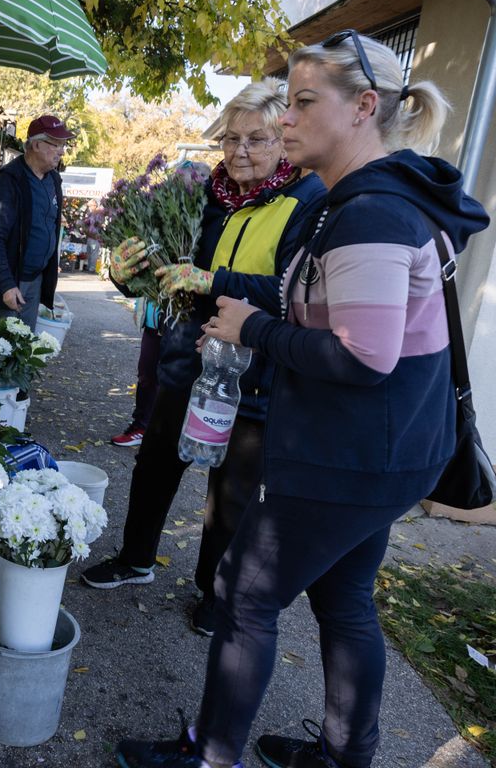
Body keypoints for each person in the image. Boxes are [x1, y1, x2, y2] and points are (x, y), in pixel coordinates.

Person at [114, 32, 489, 768]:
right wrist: (208, 287)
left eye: (304, 102)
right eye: (286, 102)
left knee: (243, 595)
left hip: (349, 456)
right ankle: (345, 757)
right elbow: (307, 303)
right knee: (342, 598)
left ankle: (209, 755)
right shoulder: (365, 199)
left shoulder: (373, 212)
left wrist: (255, 329)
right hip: (389, 452)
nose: (286, 119)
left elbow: (361, 353)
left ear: (365, 108)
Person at [82, 81, 326, 640]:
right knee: (156, 465)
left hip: (255, 373)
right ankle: (136, 558)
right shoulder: (202, 196)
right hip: (185, 359)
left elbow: (295, 290)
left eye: (257, 139)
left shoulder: (308, 201)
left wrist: (214, 281)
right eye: (231, 138)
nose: (240, 151)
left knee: (232, 492)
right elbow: (160, 276)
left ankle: (213, 592)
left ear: (283, 140)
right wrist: (125, 269)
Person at [0, 115, 75, 331]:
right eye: (56, 144)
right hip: (6, 284)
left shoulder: (53, 180)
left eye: (63, 145)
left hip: (34, 282)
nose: (62, 151)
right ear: (36, 144)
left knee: (23, 351)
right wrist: (7, 285)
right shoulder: (10, 181)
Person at [110, 298, 163, 447]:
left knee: (163, 379)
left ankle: (147, 428)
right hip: (152, 324)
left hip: (176, 326)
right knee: (146, 375)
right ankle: (142, 427)